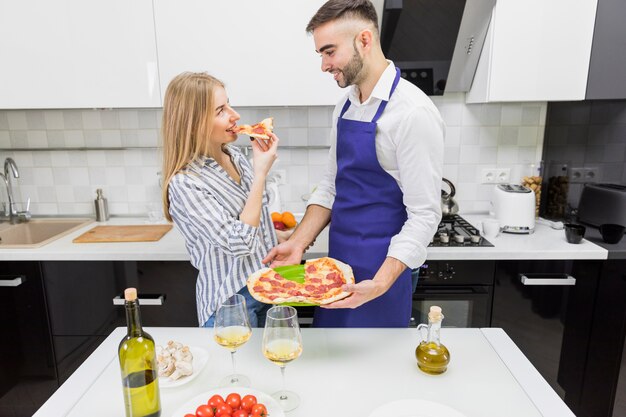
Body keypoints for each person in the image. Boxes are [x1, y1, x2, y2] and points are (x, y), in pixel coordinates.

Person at [263, 0, 444, 327]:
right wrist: (297, 243)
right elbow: (331, 186)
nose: (324, 65)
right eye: (321, 54)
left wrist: (380, 282)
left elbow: (425, 214)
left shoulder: (412, 113)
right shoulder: (345, 105)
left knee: (373, 369)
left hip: (381, 276)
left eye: (329, 52)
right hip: (335, 271)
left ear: (364, 40)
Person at [161, 72, 280, 328]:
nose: (234, 115)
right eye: (220, 110)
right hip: (232, 303)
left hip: (266, 287)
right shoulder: (185, 183)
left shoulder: (235, 155)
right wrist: (260, 174)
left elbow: (260, 224)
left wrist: (295, 240)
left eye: (229, 104)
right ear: (193, 123)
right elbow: (240, 242)